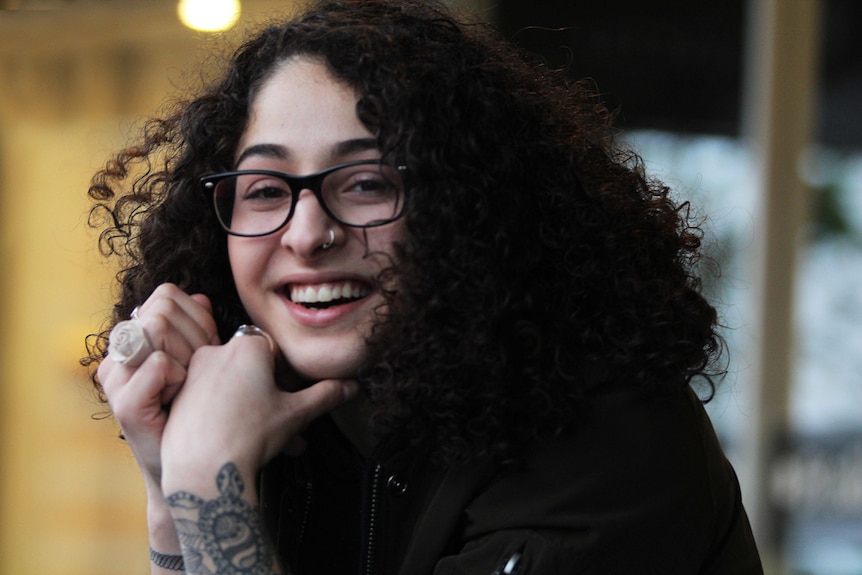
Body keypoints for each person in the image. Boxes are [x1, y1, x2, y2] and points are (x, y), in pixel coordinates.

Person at [83, 0, 764, 573]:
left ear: (470, 205)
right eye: (264, 189)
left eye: (368, 182)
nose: (307, 233)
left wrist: (210, 488)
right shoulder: (297, 425)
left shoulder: (608, 441)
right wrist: (171, 489)